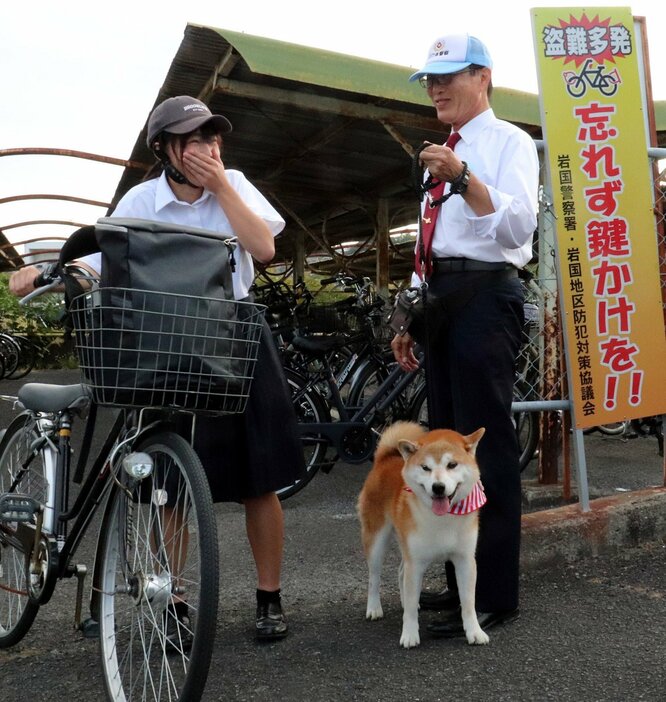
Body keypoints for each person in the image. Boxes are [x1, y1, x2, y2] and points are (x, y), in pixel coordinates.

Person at [9, 95, 306, 642]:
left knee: (258, 482)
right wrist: (45, 270)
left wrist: (220, 187)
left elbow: (263, 248)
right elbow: (99, 259)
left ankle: (269, 597)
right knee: (169, 485)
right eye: (195, 139)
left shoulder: (234, 183)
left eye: (214, 138)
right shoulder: (142, 200)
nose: (209, 148)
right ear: (167, 149)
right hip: (168, 344)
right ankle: (173, 600)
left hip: (234, 339)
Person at [391, 35, 539, 636]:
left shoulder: (506, 143)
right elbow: (429, 240)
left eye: (449, 75)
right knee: (444, 447)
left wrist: (465, 176)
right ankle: (460, 588)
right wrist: (408, 315)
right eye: (429, 78)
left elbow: (521, 225)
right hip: (441, 300)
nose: (435, 88)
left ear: (484, 77)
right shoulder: (438, 152)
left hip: (487, 294)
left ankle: (495, 594)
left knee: (484, 447)